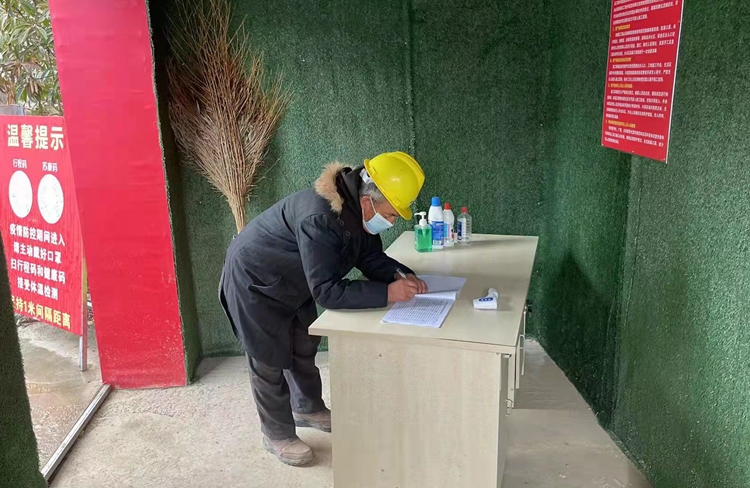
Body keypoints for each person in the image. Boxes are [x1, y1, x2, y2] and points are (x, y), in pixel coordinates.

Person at [219, 152, 427, 466]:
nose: (392, 221)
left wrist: (399, 274)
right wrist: (387, 293)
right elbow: (328, 291)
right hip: (254, 280)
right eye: (391, 214)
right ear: (368, 202)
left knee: (304, 343)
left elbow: (369, 257)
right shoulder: (319, 217)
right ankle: (277, 434)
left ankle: (307, 408)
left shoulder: (355, 211)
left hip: (295, 278)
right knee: (268, 360)